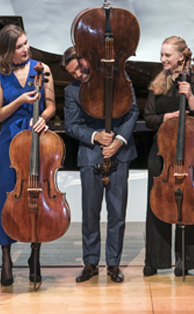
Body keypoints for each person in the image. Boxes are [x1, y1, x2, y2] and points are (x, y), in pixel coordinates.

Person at [61, 46, 138, 284]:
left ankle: (113, 264)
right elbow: (71, 125)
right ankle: (91, 263)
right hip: (91, 155)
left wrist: (118, 141)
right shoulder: (72, 91)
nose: (77, 75)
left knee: (117, 213)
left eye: (78, 68)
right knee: (90, 213)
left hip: (120, 153)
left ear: (86, 60)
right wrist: (95, 136)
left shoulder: (119, 79)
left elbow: (132, 112)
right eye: (72, 73)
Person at [0, 24, 55, 286]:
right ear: (7, 51)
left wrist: (43, 119)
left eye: (26, 43)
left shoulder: (43, 69)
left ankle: (35, 253)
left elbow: (50, 106)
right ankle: (6, 256)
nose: (25, 49)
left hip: (35, 137)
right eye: (19, 46)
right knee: (8, 197)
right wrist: (19, 102)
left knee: (34, 194)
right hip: (9, 141)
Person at [140, 36, 194, 278]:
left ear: (182, 57)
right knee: (157, 205)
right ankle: (155, 260)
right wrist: (167, 117)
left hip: (189, 152)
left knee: (189, 203)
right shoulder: (158, 83)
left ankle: (186, 260)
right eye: (161, 55)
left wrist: (189, 95)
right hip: (161, 154)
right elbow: (148, 118)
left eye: (167, 55)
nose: (162, 59)